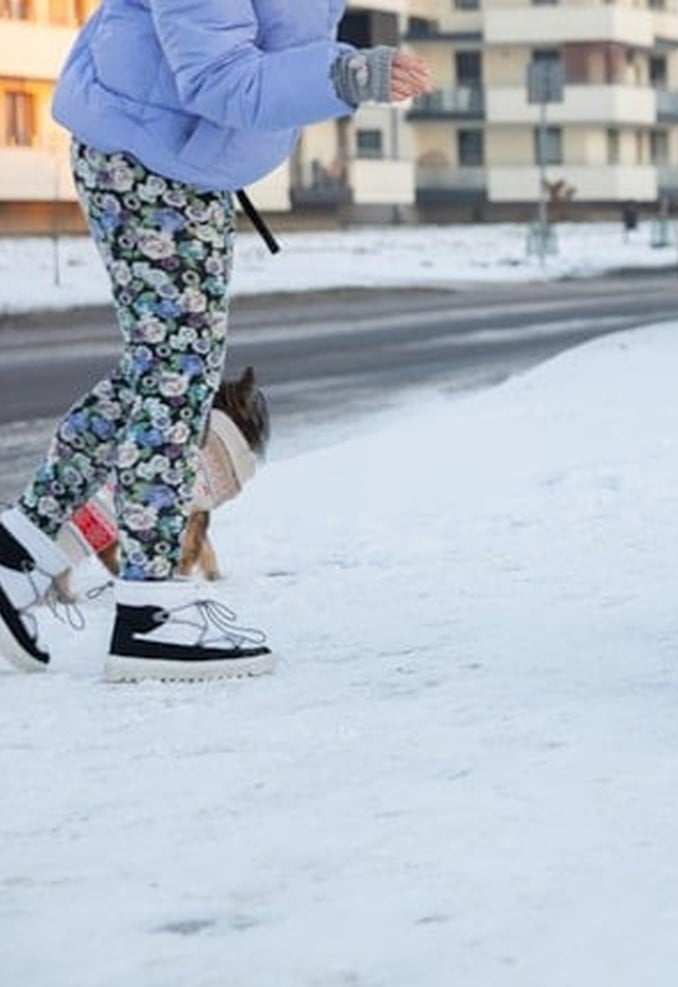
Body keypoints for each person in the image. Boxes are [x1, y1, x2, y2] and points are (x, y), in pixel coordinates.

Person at [0, 0, 432, 682]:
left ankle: (20, 548)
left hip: (176, 163)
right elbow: (220, 80)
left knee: (161, 372)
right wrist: (347, 74)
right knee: (177, 377)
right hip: (148, 161)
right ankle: (149, 607)